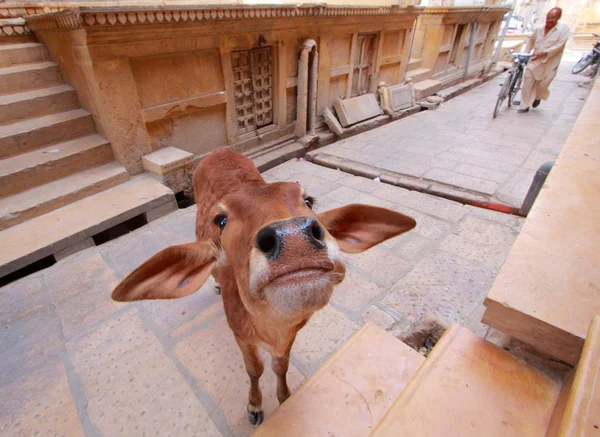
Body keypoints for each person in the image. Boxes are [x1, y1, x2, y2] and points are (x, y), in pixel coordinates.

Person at [517, 7, 570, 114]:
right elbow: (530, 41)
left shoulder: (563, 30)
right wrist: (526, 54)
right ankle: (524, 105)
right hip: (535, 61)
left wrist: (543, 53)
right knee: (527, 81)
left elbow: (559, 46)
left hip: (550, 63)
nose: (549, 20)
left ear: (558, 18)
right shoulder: (539, 29)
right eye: (548, 17)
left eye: (553, 18)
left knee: (543, 85)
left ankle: (538, 96)